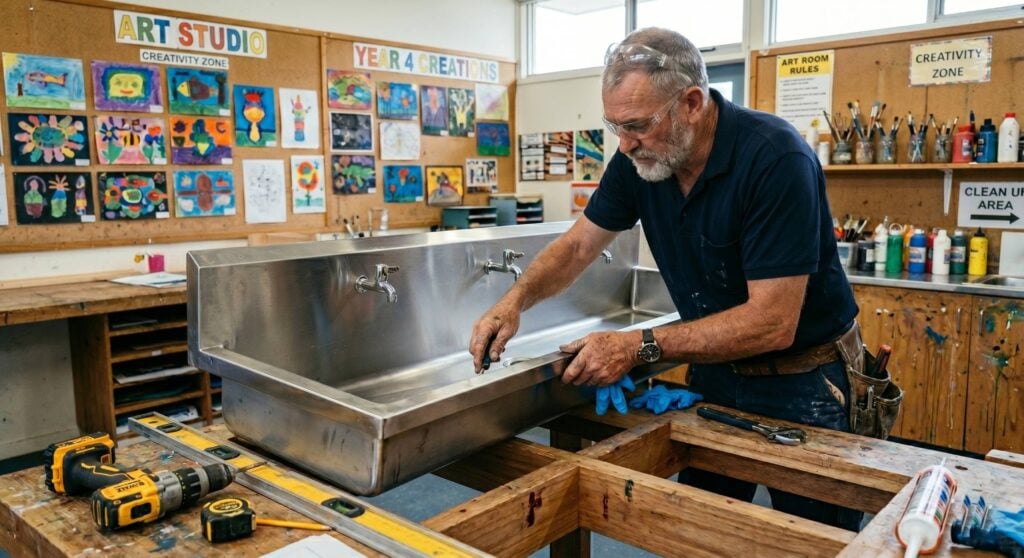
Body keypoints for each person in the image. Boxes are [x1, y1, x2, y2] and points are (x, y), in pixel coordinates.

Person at [468, 27, 863, 530]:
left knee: (817, 537)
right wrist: (515, 301)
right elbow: (577, 246)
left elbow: (773, 323)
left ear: (693, 103)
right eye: (615, 127)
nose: (626, 144)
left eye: (637, 126)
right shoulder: (642, 159)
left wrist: (637, 346)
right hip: (718, 373)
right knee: (703, 532)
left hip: (805, 381)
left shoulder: (775, 159)